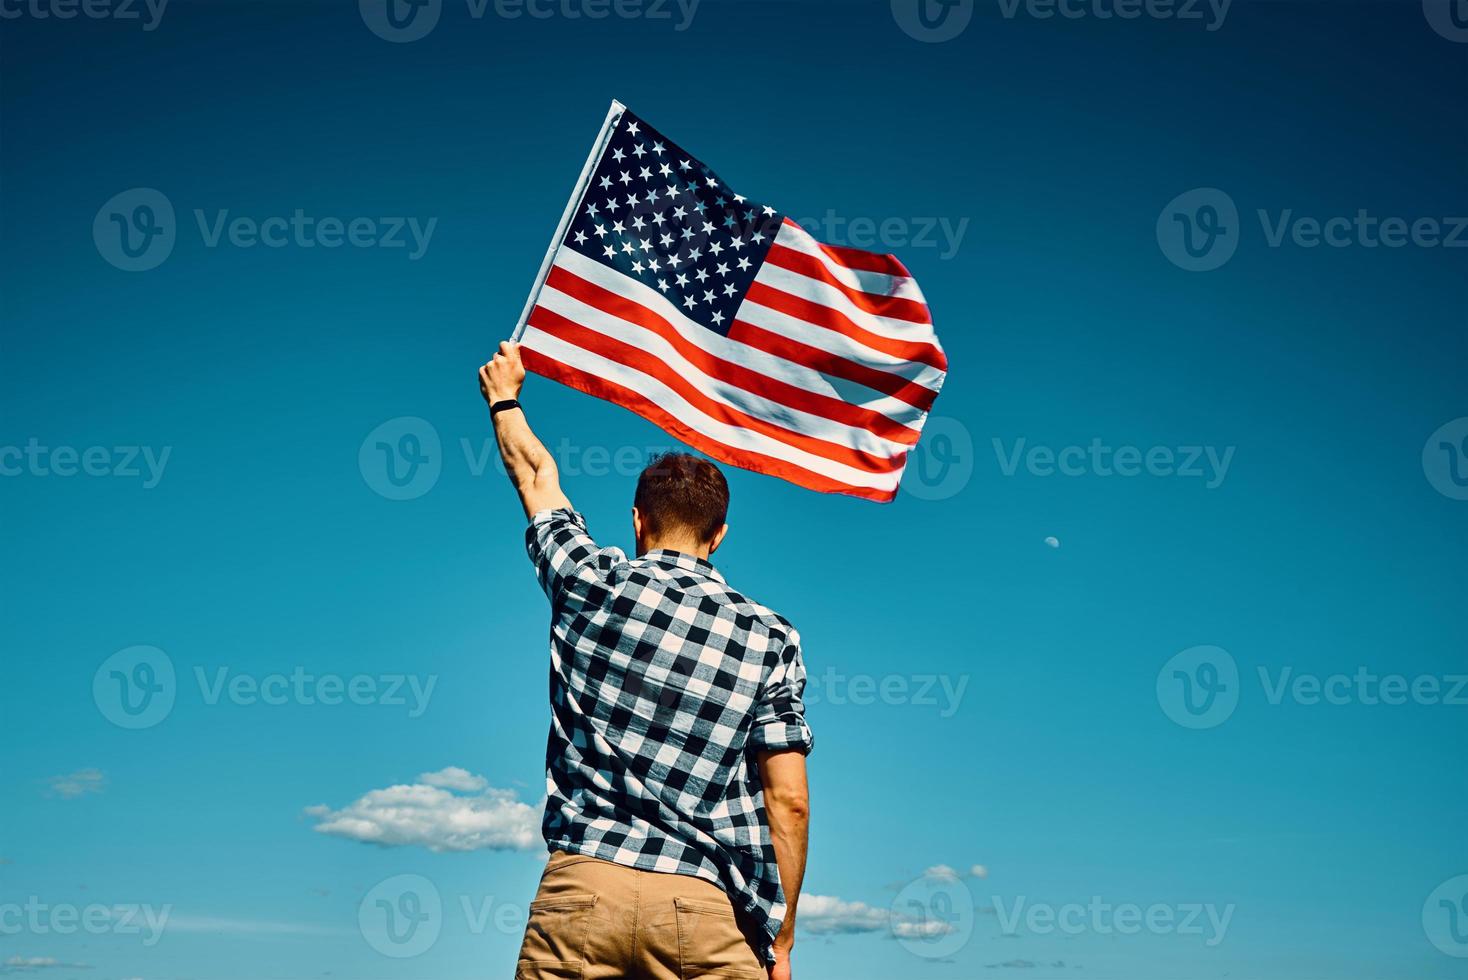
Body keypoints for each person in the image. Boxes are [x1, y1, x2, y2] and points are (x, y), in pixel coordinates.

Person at [479, 341, 813, 980]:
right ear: (718, 536)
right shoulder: (771, 637)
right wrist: (782, 936)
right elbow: (788, 800)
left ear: (637, 521)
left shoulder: (589, 583)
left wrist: (505, 398)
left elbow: (536, 477)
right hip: (704, 909)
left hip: (578, 898)